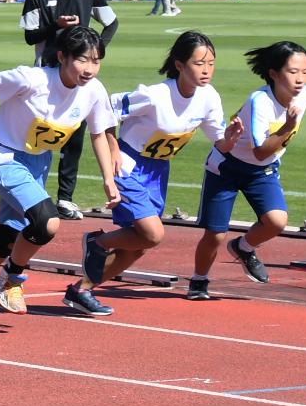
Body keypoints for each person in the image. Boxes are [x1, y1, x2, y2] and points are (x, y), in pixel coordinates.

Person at [0, 25, 121, 321]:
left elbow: (98, 134)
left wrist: (108, 179)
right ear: (62, 56)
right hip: (4, 157)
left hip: (37, 163)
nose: (89, 69)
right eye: (82, 60)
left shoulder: (94, 92)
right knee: (47, 222)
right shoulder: (33, 78)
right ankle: (10, 277)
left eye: (96, 61)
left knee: (8, 237)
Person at [66, 30, 227, 308]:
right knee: (154, 234)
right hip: (128, 163)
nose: (206, 70)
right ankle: (97, 243)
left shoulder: (209, 98)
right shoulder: (154, 96)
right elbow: (109, 106)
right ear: (179, 65)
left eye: (211, 63)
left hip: (158, 170)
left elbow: (220, 140)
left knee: (139, 246)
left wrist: (234, 139)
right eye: (199, 64)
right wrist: (113, 146)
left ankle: (81, 291)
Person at [190, 40, 306, 289]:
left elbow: (266, 155)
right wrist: (287, 127)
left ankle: (243, 248)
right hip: (227, 167)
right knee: (215, 234)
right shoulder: (260, 101)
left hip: (262, 170)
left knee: (277, 221)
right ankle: (199, 280)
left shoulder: (304, 95)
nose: (300, 79)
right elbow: (259, 150)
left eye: (305, 72)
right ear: (274, 74)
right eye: (293, 72)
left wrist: (284, 137)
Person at [19, 0, 119, 220]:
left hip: (76, 76)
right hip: (45, 73)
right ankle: (32, 194)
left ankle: (65, 198)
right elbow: (29, 36)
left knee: (74, 137)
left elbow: (112, 21)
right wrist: (56, 25)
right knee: (39, 134)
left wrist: (96, 51)